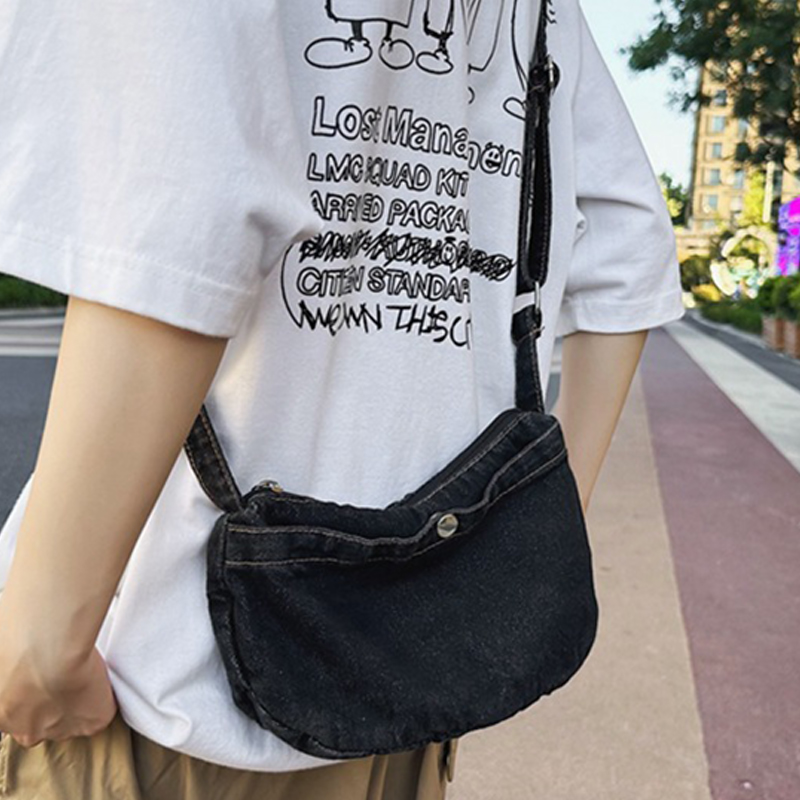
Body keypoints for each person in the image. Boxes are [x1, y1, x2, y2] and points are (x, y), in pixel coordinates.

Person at [0, 0, 685, 797]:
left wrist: (44, 641)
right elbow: (627, 237)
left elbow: (178, 210)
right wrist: (540, 528)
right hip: (408, 692)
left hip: (159, 686)